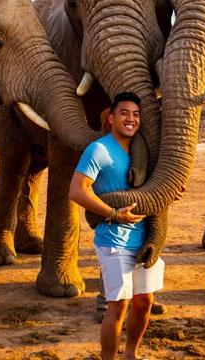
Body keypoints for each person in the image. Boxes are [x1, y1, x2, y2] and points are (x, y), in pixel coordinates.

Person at [69, 92, 164, 360]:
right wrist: (113, 213)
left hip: (145, 240)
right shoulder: (99, 149)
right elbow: (77, 190)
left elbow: (154, 189)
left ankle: (131, 354)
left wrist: (169, 192)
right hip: (114, 240)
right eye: (124, 113)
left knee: (145, 302)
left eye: (135, 114)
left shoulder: (140, 151)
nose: (130, 119)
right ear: (111, 118)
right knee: (118, 306)